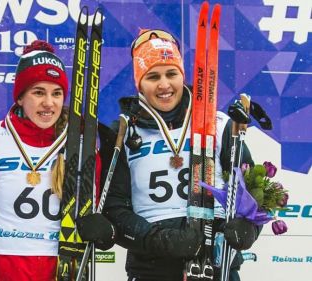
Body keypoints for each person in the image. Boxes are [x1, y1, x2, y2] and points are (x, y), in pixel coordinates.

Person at [82, 29, 259, 281]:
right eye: (153, 76)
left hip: (216, 261)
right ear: (139, 83)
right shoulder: (123, 131)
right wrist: (161, 240)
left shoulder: (219, 124)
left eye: (171, 74)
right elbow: (114, 207)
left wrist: (249, 226)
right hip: (151, 266)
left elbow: (251, 188)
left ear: (182, 75)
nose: (164, 85)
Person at [0, 40, 108, 281]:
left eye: (57, 93)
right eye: (38, 92)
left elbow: (93, 209)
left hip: (62, 268)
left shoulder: (81, 146)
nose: (49, 103)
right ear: (20, 97)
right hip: (5, 269)